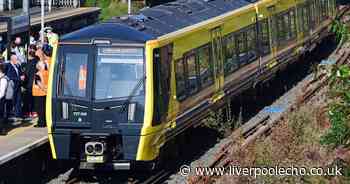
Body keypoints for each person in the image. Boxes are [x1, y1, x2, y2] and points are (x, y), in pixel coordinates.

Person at [5, 53, 25, 119]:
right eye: (16, 59)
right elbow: (9, 76)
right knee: (11, 101)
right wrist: (19, 78)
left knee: (18, 100)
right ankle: (8, 115)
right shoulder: (8, 65)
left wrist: (22, 76)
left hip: (18, 85)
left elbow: (20, 73)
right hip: (12, 86)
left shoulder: (17, 66)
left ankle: (18, 114)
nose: (17, 60)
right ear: (12, 59)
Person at [23, 45, 38, 118]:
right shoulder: (36, 61)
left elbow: (27, 73)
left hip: (30, 83)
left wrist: (23, 83)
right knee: (32, 98)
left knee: (29, 98)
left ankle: (28, 111)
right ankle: (33, 111)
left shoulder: (30, 62)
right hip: (34, 83)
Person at [32, 61, 48, 127]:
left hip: (39, 94)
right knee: (44, 109)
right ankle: (45, 121)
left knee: (40, 109)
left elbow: (39, 84)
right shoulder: (47, 73)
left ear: (39, 67)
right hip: (45, 94)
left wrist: (44, 89)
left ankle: (41, 123)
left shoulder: (38, 74)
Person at [0, 64, 8, 135]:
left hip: (0, 100)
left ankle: (2, 130)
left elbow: (2, 93)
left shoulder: (3, 79)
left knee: (1, 115)